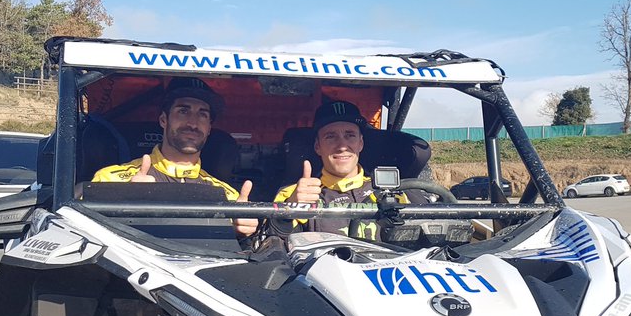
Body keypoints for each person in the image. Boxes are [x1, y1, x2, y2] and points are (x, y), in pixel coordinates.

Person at [93, 77, 256, 236]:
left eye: (202, 114)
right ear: (164, 120)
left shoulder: (229, 197)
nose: (193, 123)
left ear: (209, 128)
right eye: (183, 111)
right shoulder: (111, 179)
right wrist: (123, 200)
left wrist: (241, 231)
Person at [271, 100, 422, 241]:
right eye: (331, 137)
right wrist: (289, 211)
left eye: (350, 135)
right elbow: (274, 243)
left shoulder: (395, 192)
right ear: (317, 146)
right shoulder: (295, 194)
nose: (342, 146)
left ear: (360, 143)